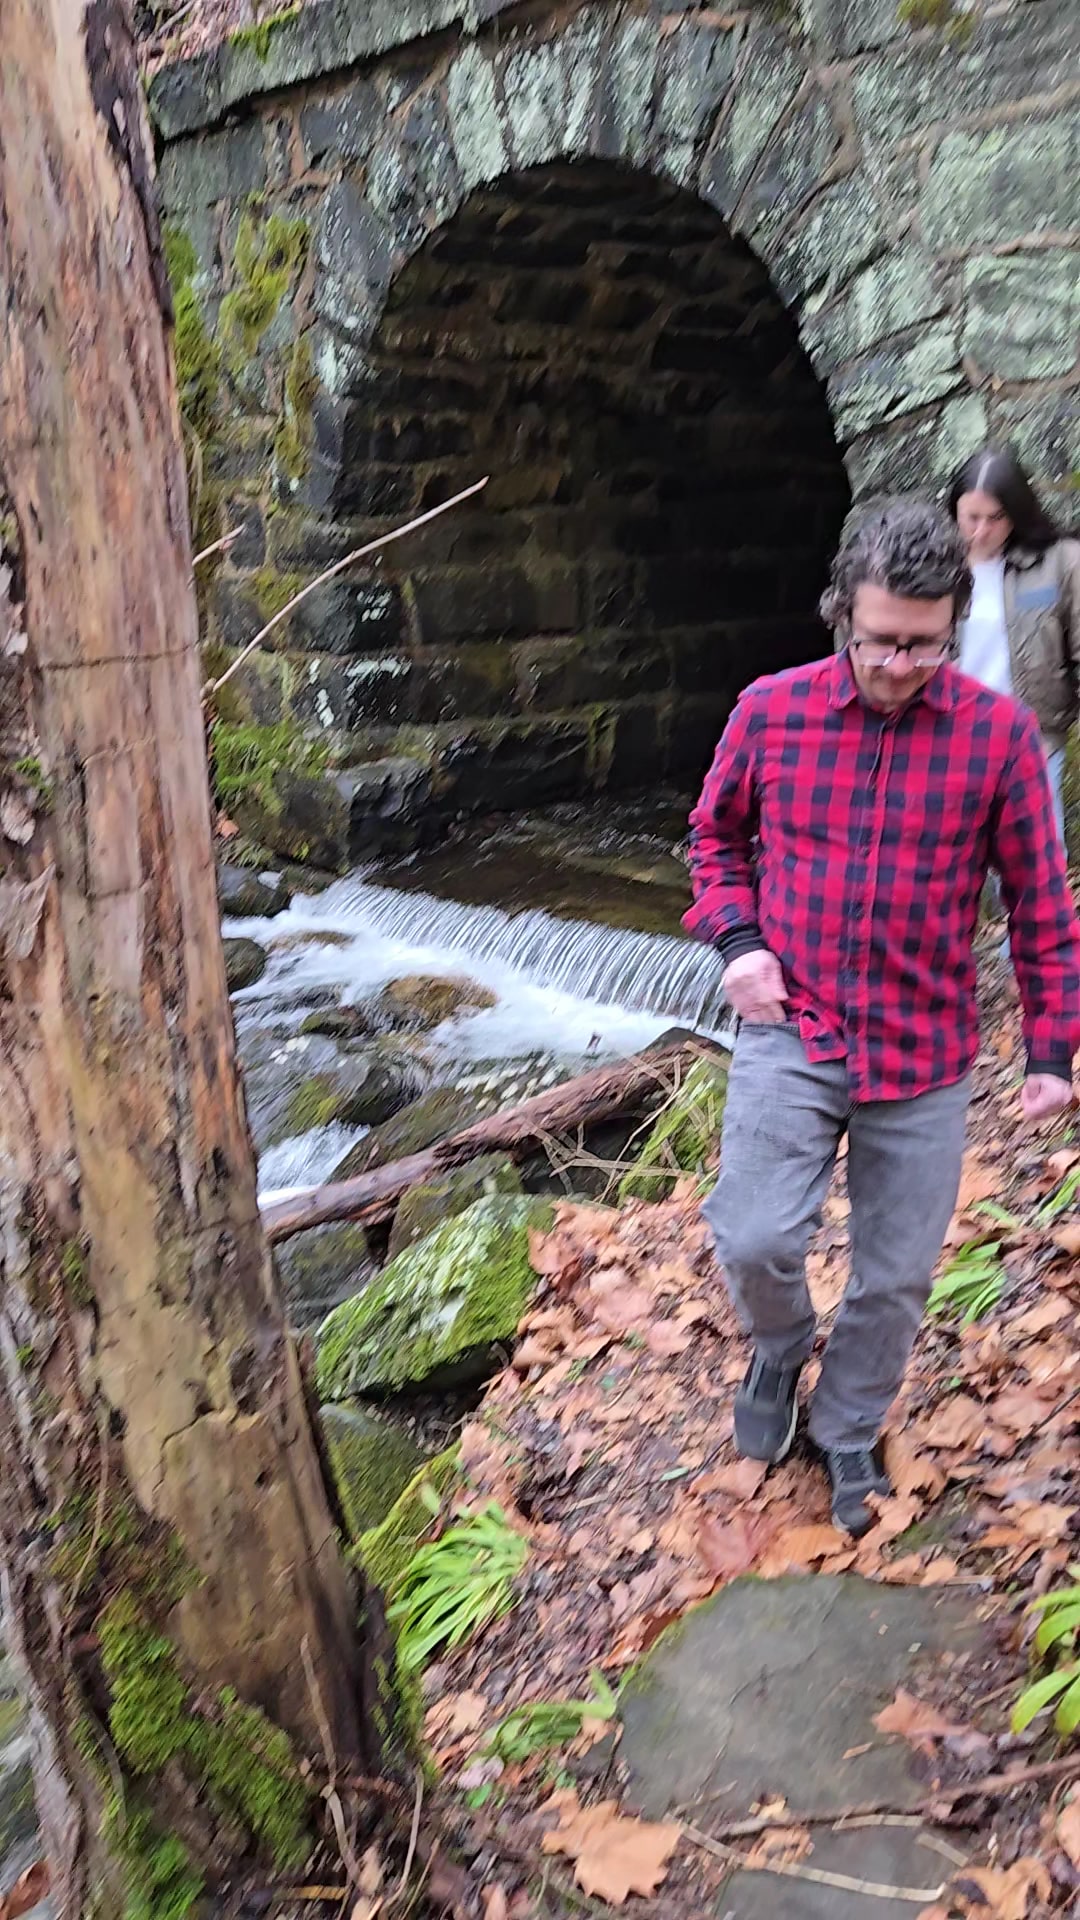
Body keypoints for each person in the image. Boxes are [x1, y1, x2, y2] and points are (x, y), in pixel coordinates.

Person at [684, 498, 1080, 1538]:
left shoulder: (996, 737)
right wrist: (739, 942)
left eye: (927, 643)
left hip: (926, 1049)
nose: (903, 663)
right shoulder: (770, 712)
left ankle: (848, 1423)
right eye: (882, 642)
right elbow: (713, 842)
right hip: (793, 1025)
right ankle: (779, 1347)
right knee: (758, 1234)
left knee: (898, 1274)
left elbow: (1041, 902)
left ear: (954, 622)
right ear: (840, 620)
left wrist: (1052, 1049)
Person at [947, 446, 1080, 844]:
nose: (980, 531)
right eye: (971, 517)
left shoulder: (1062, 563)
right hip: (949, 741)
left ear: (1017, 513)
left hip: (1033, 740)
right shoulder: (932, 566)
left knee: (1038, 862)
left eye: (995, 518)